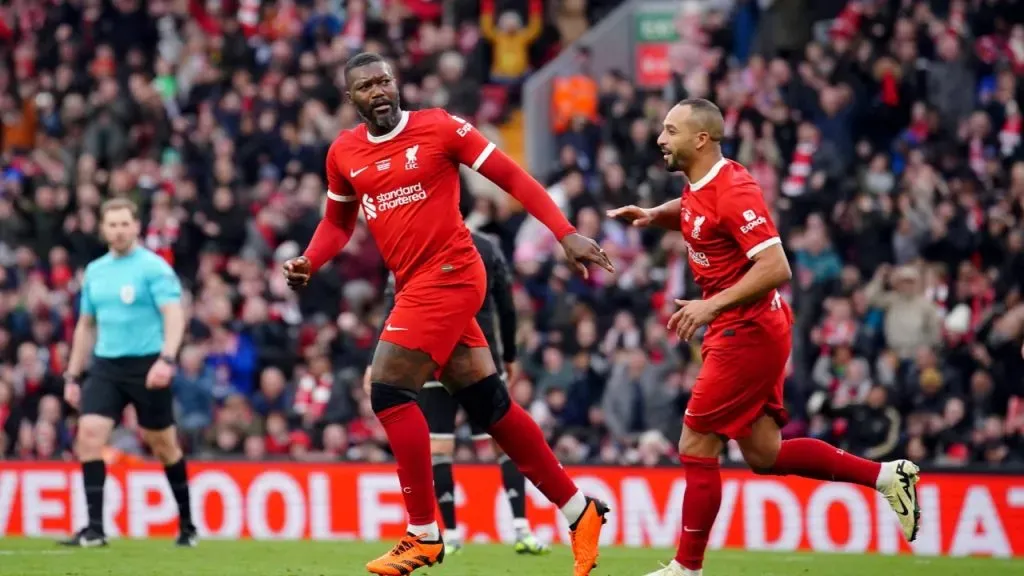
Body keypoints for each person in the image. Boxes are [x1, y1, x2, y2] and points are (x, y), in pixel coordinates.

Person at [282, 52, 613, 576]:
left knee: (388, 388)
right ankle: (580, 510)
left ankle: (422, 534)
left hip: (454, 272)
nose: (380, 90)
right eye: (367, 86)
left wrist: (564, 232)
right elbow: (337, 224)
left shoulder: (439, 128)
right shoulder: (344, 152)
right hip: (415, 283)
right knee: (490, 408)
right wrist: (310, 259)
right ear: (352, 99)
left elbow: (514, 178)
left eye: (385, 80)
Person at [607, 98, 920, 576]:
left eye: (670, 131)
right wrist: (655, 214)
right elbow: (694, 211)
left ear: (701, 139)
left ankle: (686, 569)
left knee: (695, 442)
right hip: (742, 327)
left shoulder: (734, 189)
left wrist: (710, 305)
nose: (659, 139)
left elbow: (776, 266)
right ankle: (886, 476)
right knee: (765, 454)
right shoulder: (700, 185)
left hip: (746, 330)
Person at [368, 229, 549, 556]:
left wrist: (377, 362)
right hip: (478, 359)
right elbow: (506, 306)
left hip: (428, 356)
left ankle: (449, 533)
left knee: (440, 446)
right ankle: (522, 528)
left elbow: (390, 308)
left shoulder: (411, 243)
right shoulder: (486, 246)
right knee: (501, 439)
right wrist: (509, 356)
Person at [60, 198, 195, 548]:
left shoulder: (154, 268)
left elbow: (173, 314)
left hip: (147, 365)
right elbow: (86, 326)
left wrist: (167, 358)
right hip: (106, 365)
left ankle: (187, 524)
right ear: (103, 228)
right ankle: (94, 529)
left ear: (136, 227)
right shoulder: (95, 271)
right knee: (89, 435)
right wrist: (73, 376)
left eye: (125, 224)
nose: (119, 231)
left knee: (163, 444)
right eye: (112, 224)